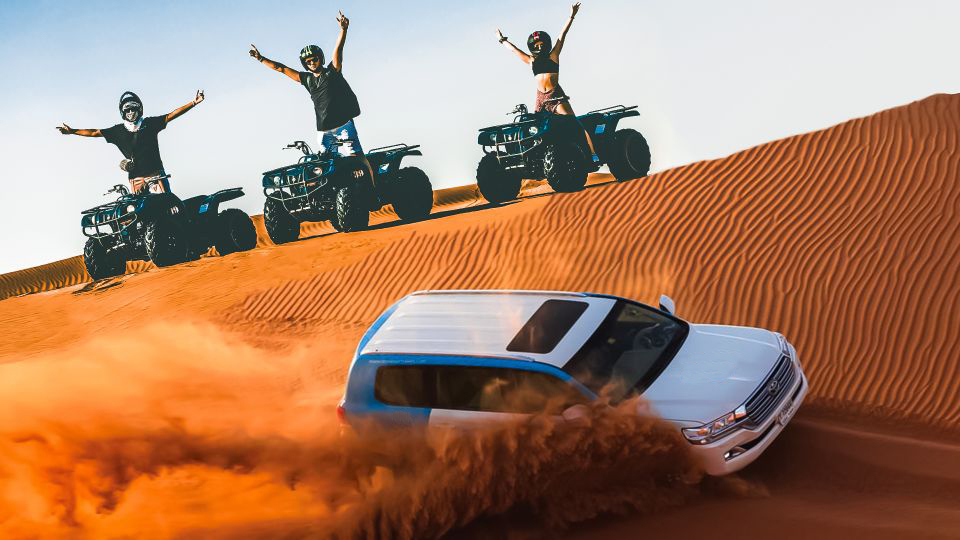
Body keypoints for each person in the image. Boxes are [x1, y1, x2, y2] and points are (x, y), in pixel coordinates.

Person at [249, 10, 373, 181]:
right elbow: (282, 68)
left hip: (344, 125)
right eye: (308, 61)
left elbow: (339, 50)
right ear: (305, 64)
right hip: (323, 130)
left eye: (314, 59)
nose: (312, 63)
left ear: (320, 58)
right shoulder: (306, 79)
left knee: (357, 157)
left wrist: (343, 30)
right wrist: (261, 58)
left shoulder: (332, 72)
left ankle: (372, 189)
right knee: (326, 164)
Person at [496, 2, 599, 164]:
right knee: (534, 129)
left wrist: (572, 16)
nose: (539, 46)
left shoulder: (554, 55)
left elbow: (562, 35)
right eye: (536, 45)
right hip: (540, 99)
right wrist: (502, 40)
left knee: (576, 125)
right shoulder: (531, 61)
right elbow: (514, 50)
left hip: (555, 96)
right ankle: (537, 159)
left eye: (541, 44)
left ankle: (592, 155)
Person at [57, 90, 204, 194]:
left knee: (167, 206)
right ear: (122, 112)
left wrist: (194, 102)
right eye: (127, 110)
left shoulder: (150, 123)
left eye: (133, 109)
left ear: (139, 109)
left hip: (155, 174)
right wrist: (72, 131)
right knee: (138, 213)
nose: (131, 113)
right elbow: (95, 132)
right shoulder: (118, 131)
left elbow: (171, 115)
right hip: (136, 178)